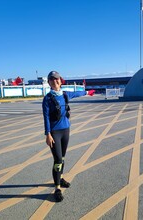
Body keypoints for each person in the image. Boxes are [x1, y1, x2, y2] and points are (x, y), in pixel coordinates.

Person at [42, 71, 95, 202]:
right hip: (55, 133)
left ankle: (60, 178)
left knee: (63, 158)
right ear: (49, 82)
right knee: (58, 160)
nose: (55, 81)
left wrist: (87, 92)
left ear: (61, 81)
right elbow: (46, 117)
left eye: (57, 79)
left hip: (66, 130)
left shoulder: (65, 94)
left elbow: (77, 93)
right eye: (52, 80)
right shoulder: (47, 99)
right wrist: (48, 134)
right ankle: (57, 188)